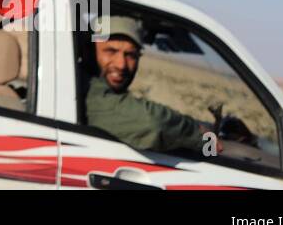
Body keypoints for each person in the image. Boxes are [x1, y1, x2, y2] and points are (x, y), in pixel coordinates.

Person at [84, 15, 230, 155]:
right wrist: (204, 139)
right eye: (111, 51)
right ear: (91, 52)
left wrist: (204, 126)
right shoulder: (91, 91)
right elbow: (154, 123)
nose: (121, 64)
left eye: (131, 55)